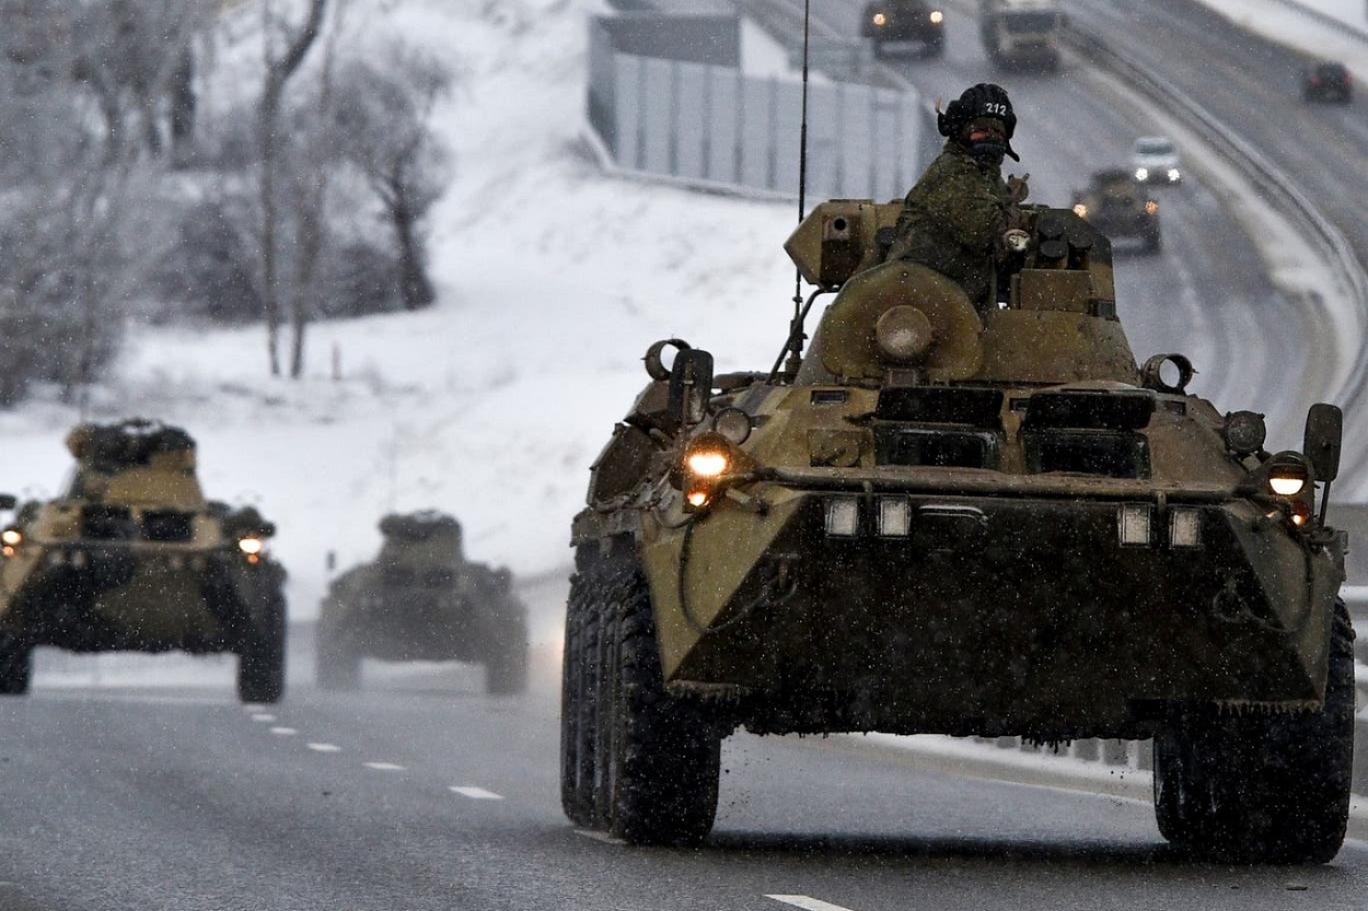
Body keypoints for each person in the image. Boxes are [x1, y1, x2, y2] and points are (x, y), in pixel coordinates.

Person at [886, 83, 1030, 311]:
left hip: (954, 302)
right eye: (981, 129)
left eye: (998, 131)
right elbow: (988, 232)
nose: (991, 137)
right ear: (961, 130)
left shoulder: (984, 175)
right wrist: (1012, 204)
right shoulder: (953, 174)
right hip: (919, 302)